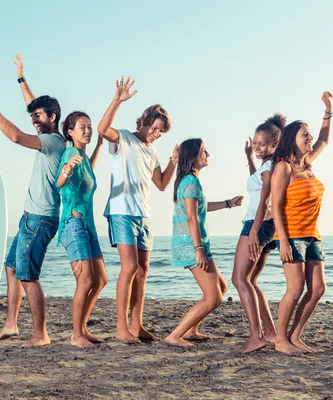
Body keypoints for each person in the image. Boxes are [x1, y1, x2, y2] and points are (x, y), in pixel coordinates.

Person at [0, 57, 65, 347]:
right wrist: (21, 79)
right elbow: (34, 105)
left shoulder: (52, 142)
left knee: (28, 276)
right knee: (12, 266)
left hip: (40, 218)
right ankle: (12, 324)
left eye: (38, 116)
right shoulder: (49, 133)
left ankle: (41, 334)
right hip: (31, 216)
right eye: (32, 117)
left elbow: (14, 136)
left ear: (52, 116)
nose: (33, 120)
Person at [97, 76, 179, 344]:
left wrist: (173, 161)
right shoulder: (123, 139)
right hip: (121, 211)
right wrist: (117, 100)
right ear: (144, 121)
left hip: (144, 215)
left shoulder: (152, 152)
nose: (156, 134)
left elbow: (163, 184)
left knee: (143, 270)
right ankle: (121, 328)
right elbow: (102, 128)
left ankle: (137, 325)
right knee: (129, 267)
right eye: (155, 128)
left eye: (160, 132)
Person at [270, 92, 333, 354]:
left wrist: (328, 109)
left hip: (312, 235)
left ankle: (295, 336)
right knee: (295, 289)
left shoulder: (308, 164)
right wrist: (283, 240)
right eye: (304, 134)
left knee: (317, 288)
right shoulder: (284, 168)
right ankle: (280, 339)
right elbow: (275, 207)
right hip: (292, 236)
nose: (309, 138)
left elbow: (324, 140)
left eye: (309, 134)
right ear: (292, 140)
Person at [164, 138, 243, 347]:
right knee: (213, 298)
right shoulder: (190, 181)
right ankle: (175, 335)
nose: (208, 155)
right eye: (204, 151)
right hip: (191, 245)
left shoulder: (190, 181)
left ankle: (191, 330)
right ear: (192, 157)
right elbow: (191, 218)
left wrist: (228, 204)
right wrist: (198, 249)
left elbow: (200, 208)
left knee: (222, 287)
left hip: (198, 244)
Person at [231, 114, 286, 353]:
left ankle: (256, 336)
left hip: (257, 223)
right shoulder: (268, 166)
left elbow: (266, 198)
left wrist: (253, 232)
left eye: (263, 144)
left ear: (275, 145)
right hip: (268, 226)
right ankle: (271, 333)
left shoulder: (270, 168)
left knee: (239, 279)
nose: (257, 147)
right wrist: (248, 156)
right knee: (251, 280)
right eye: (255, 142)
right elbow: (258, 180)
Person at [56, 111, 108, 348]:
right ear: (70, 131)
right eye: (82, 127)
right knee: (86, 281)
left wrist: (98, 146)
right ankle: (76, 335)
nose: (87, 130)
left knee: (101, 280)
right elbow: (60, 181)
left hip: (88, 226)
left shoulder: (82, 157)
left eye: (89, 126)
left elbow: (89, 171)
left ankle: (83, 328)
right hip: (73, 224)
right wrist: (66, 168)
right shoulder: (70, 153)